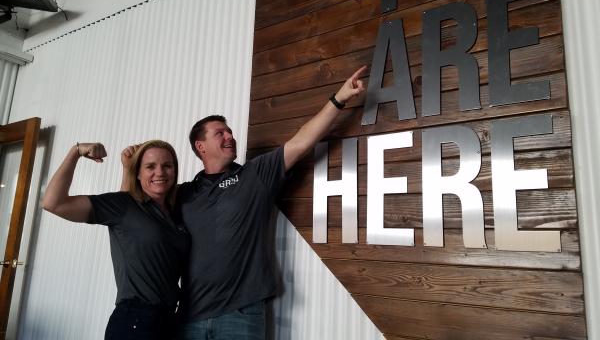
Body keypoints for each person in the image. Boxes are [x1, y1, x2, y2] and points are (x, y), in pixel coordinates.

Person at [121, 65, 368, 340]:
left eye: (230, 132)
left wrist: (339, 99)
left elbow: (301, 141)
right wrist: (128, 169)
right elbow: (130, 214)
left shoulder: (254, 175)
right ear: (200, 147)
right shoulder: (183, 193)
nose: (230, 136)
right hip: (188, 317)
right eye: (220, 133)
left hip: (240, 316)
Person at [42, 140, 190, 340]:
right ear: (138, 174)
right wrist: (75, 152)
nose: (160, 172)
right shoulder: (123, 205)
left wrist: (127, 168)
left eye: (167, 166)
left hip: (170, 322)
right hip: (136, 322)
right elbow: (53, 203)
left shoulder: (175, 213)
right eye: (150, 166)